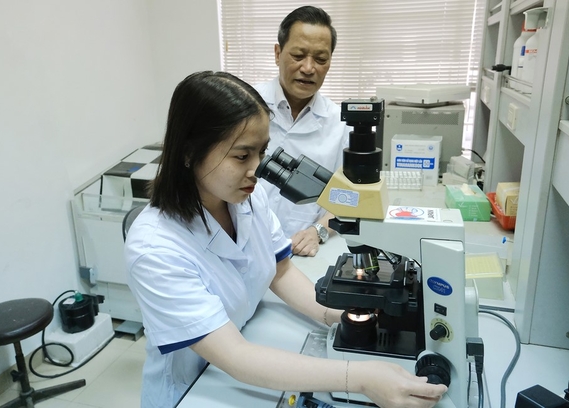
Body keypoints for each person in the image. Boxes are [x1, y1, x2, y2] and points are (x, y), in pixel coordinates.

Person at [125, 71, 447, 408]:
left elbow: (280, 270)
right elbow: (235, 357)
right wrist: (361, 378)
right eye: (241, 156)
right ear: (189, 153)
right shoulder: (155, 249)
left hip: (249, 345)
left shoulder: (247, 197)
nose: (257, 169)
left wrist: (338, 317)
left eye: (262, 152)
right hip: (194, 388)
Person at [254, 6, 351, 257]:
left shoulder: (340, 123)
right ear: (277, 53)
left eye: (320, 59)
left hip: (302, 252)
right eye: (298, 55)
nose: (309, 68)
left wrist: (318, 231)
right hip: (242, 246)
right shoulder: (244, 105)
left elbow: (348, 197)